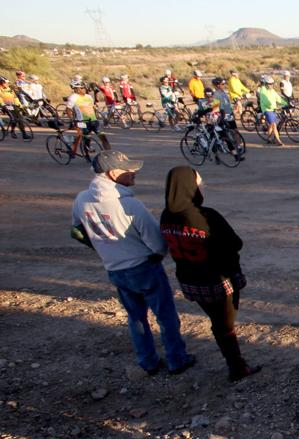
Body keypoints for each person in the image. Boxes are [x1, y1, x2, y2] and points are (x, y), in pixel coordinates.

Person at [72, 151, 196, 376]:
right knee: (166, 316)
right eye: (128, 170)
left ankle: (147, 360)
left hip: (115, 268)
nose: (134, 173)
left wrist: (102, 249)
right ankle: (177, 359)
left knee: (136, 317)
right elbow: (156, 241)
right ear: (112, 174)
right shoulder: (130, 205)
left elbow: (77, 231)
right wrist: (158, 255)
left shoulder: (82, 199)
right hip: (143, 266)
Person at [160, 167, 260, 381]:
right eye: (199, 182)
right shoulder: (206, 216)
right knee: (225, 325)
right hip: (215, 281)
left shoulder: (166, 216)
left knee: (218, 322)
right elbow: (235, 243)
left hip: (189, 280)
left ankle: (234, 361)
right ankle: (236, 367)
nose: (202, 185)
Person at [67, 79, 110, 153]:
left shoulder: (88, 97)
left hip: (94, 120)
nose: (85, 89)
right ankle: (78, 150)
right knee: (86, 137)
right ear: (77, 89)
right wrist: (71, 120)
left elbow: (93, 107)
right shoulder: (73, 97)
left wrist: (102, 115)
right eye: (83, 88)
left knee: (103, 137)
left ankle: (110, 153)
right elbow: (68, 109)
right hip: (83, 122)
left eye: (85, 87)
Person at [211, 78, 244, 161]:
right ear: (218, 85)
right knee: (223, 136)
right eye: (222, 84)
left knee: (235, 131)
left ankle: (238, 147)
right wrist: (221, 114)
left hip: (229, 114)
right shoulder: (216, 94)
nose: (224, 85)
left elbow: (227, 104)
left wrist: (233, 109)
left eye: (224, 84)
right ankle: (218, 155)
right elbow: (215, 108)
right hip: (223, 116)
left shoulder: (223, 93)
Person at [257, 75, 284, 146]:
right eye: (270, 84)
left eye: (272, 83)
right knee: (274, 125)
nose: (272, 85)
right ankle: (278, 141)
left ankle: (268, 139)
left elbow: (278, 98)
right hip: (267, 110)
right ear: (265, 84)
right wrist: (273, 106)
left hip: (273, 109)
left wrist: (286, 103)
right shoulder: (262, 91)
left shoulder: (272, 90)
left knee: (271, 126)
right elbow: (266, 102)